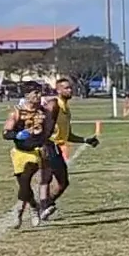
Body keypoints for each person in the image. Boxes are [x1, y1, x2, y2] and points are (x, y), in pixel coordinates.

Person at [40, 77, 100, 219]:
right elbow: (42, 124)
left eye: (70, 87)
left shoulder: (66, 108)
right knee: (46, 177)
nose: (70, 90)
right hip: (48, 145)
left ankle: (45, 204)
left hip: (57, 147)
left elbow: (68, 135)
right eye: (66, 88)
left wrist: (85, 140)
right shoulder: (54, 104)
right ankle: (43, 206)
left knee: (63, 183)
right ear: (58, 90)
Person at [2, 85, 53, 226]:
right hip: (19, 153)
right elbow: (5, 133)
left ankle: (19, 212)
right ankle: (34, 206)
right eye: (35, 93)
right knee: (23, 185)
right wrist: (17, 135)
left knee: (27, 176)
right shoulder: (17, 112)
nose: (38, 95)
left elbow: (48, 132)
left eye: (40, 93)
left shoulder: (44, 112)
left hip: (35, 152)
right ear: (26, 95)